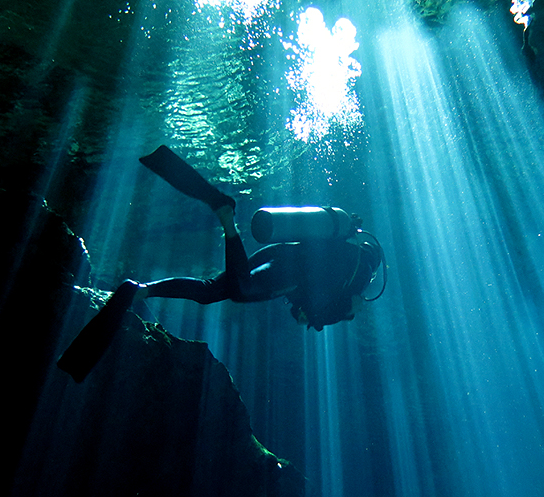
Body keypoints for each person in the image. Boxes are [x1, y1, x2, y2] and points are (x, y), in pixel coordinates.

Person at [58, 145, 382, 382]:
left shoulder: (347, 253)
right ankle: (227, 217)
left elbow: (315, 289)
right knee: (241, 290)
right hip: (290, 270)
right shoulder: (360, 277)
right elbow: (329, 305)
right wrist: (326, 312)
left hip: (283, 256)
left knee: (212, 290)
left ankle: (140, 290)